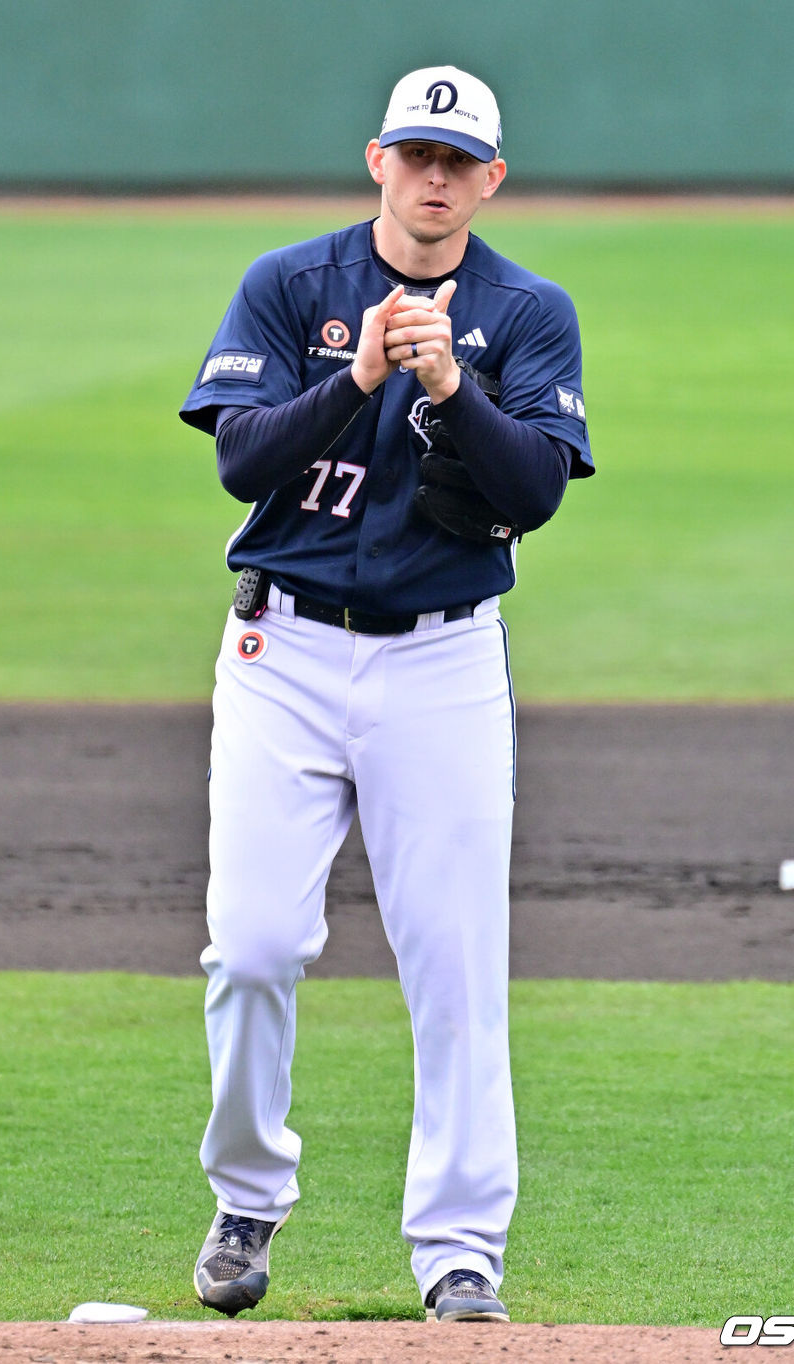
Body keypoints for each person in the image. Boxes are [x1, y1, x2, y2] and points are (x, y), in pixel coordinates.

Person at [178, 65, 594, 1325]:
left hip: (442, 665)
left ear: (490, 180)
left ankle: (458, 1249)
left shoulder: (526, 311)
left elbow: (532, 494)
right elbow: (239, 459)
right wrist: (359, 377)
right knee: (250, 947)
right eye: (414, 152)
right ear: (376, 160)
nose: (433, 176)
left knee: (456, 964)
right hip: (283, 659)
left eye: (456, 160)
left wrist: (452, 391)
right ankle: (247, 1194)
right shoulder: (293, 285)